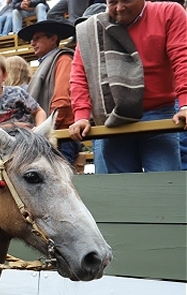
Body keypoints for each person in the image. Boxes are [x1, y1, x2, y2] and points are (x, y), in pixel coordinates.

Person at [68, 0, 187, 173]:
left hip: (159, 113)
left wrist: (185, 104)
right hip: (113, 119)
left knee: (165, 188)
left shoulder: (169, 12)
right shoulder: (92, 29)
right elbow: (80, 73)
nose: (120, 7)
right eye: (113, 2)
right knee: (121, 191)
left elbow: (182, 58)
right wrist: (81, 116)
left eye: (126, 0)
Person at [18, 20, 80, 165]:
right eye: (32, 40)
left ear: (53, 39)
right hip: (51, 134)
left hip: (60, 135)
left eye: (37, 38)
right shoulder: (51, 61)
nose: (32, 43)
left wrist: (47, 128)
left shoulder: (63, 60)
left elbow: (62, 101)